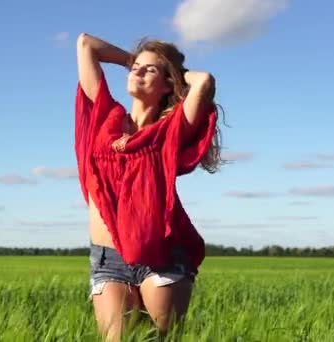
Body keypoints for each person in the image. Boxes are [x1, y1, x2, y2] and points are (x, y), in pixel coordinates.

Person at [74, 32, 221, 341]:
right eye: (135, 67)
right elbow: (86, 44)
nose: (138, 71)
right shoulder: (106, 118)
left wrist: (172, 72)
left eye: (149, 70)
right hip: (108, 259)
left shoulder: (168, 132)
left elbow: (204, 81)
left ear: (167, 84)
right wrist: (134, 61)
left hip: (163, 254)